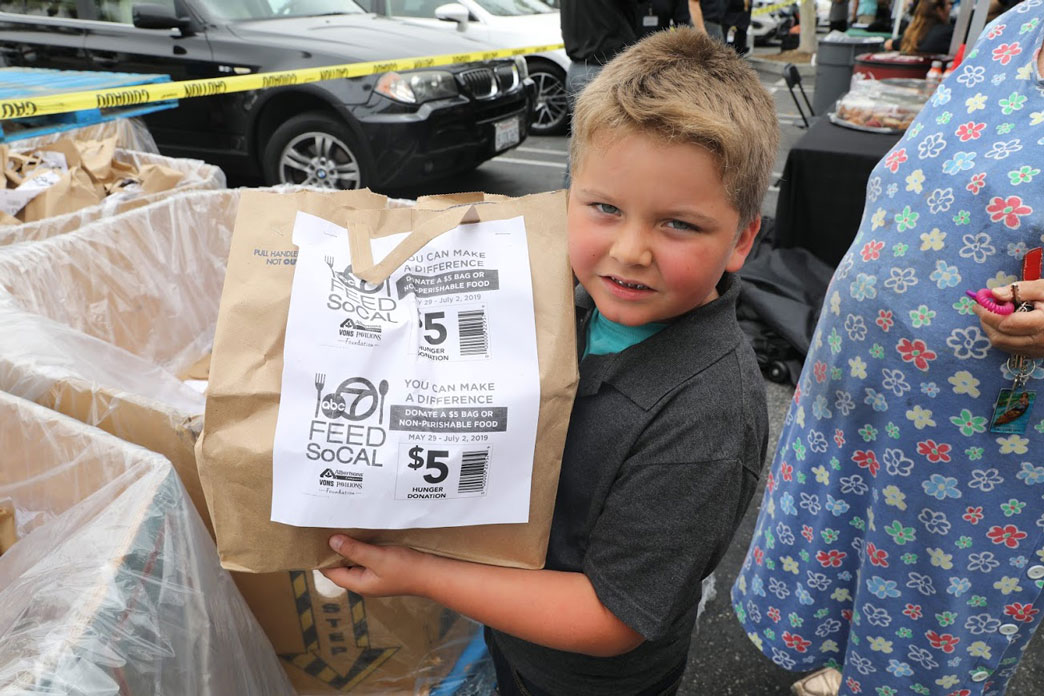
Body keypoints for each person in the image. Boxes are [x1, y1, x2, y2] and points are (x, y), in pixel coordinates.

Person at [320, 28, 779, 696]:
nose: (629, 250)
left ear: (741, 239)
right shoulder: (567, 302)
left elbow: (612, 616)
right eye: (603, 208)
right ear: (568, 195)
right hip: (514, 629)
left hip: (589, 679)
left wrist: (418, 573)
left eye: (677, 224)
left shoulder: (707, 419)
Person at [733, 4, 1044, 695]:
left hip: (980, 441)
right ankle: (852, 668)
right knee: (859, 568)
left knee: (938, 606)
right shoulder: (1017, 26)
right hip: (862, 398)